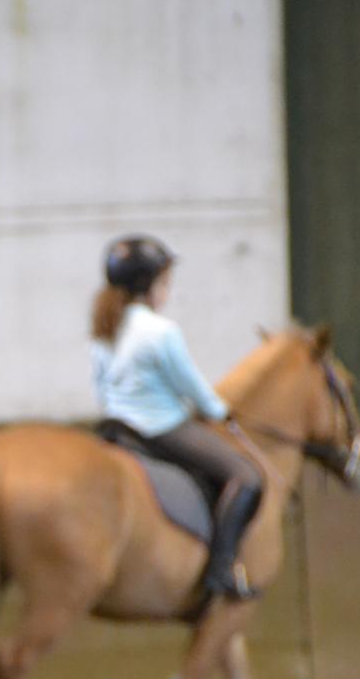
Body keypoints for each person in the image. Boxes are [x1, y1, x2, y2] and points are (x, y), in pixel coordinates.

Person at [90, 235, 262, 600]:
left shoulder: (103, 330)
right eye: (164, 283)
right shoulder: (161, 331)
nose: (166, 291)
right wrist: (222, 413)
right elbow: (192, 388)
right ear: (147, 286)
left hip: (115, 427)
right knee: (247, 478)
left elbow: (102, 387)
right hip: (160, 429)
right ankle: (222, 569)